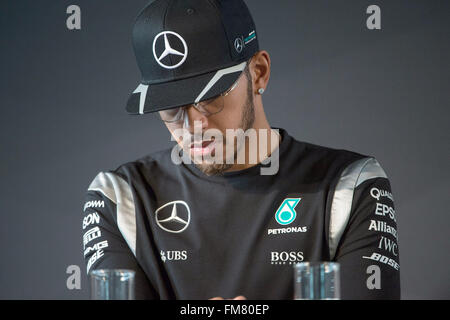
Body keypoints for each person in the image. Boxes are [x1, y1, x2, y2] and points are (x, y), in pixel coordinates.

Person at [82, 0, 400, 299]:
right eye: (170, 108)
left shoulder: (352, 186)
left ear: (258, 72)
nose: (192, 125)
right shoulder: (118, 199)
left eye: (210, 98)